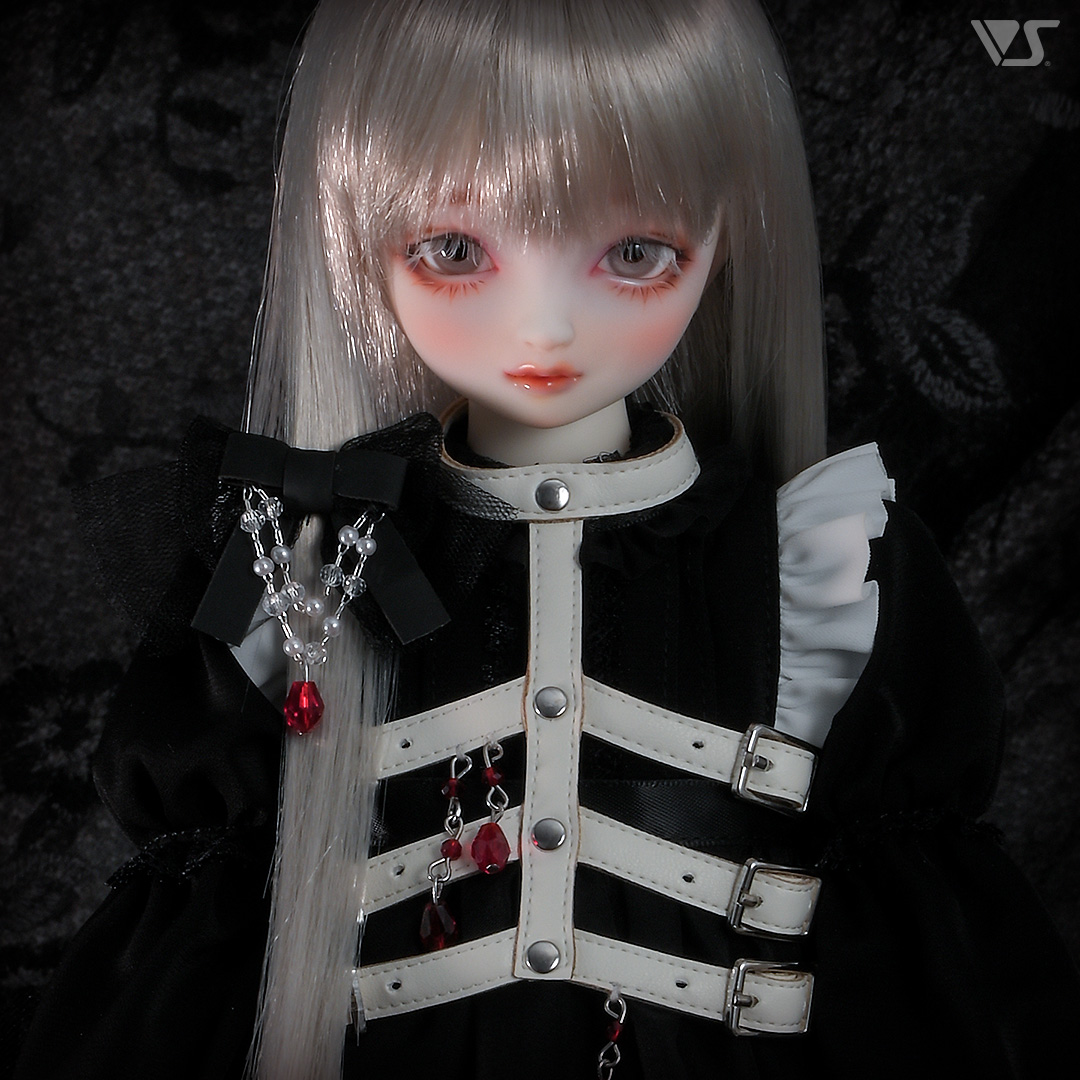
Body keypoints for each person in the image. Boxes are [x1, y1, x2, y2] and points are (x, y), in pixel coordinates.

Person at [14, 1, 1080, 1078]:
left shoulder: (813, 569)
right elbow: (190, 960)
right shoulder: (305, 566)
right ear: (353, 229)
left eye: (633, 252)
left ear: (726, 234)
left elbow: (918, 963)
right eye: (454, 250)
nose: (545, 327)